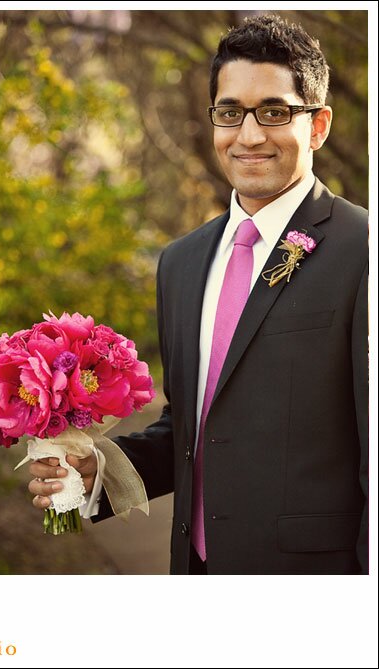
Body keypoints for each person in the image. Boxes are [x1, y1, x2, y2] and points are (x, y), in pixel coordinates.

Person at [28, 14, 368, 575]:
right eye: (230, 113)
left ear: (319, 125)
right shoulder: (182, 263)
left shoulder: (362, 251)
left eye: (275, 112)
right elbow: (194, 429)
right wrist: (96, 471)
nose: (249, 135)